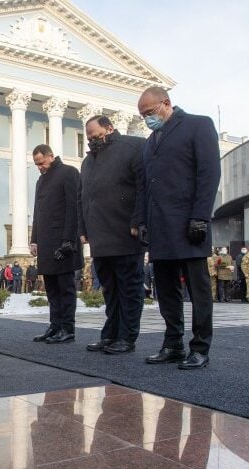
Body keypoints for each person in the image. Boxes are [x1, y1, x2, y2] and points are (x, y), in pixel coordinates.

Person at [135, 86, 219, 369]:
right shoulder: (150, 141)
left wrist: (201, 216)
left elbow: (209, 173)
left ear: (166, 103)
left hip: (188, 224)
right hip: (160, 227)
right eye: (143, 116)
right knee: (167, 290)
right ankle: (173, 343)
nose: (147, 119)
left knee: (198, 290)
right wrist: (142, 221)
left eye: (149, 112)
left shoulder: (198, 125)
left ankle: (200, 347)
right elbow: (145, 186)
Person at [77, 115, 147, 355]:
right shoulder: (88, 162)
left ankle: (127, 337)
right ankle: (110, 334)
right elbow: (83, 197)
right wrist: (83, 229)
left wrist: (138, 220)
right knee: (109, 289)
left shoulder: (132, 147)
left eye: (96, 136)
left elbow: (142, 187)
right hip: (99, 236)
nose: (93, 141)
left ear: (110, 128)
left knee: (129, 288)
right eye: (89, 138)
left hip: (124, 233)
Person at [30, 144, 83, 345]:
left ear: (51, 156)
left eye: (41, 163)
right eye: (36, 164)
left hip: (63, 243)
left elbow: (74, 208)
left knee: (65, 288)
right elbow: (38, 212)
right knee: (51, 288)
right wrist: (34, 239)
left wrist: (69, 240)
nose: (39, 167)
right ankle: (55, 325)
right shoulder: (41, 181)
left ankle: (67, 328)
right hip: (46, 242)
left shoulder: (69, 173)